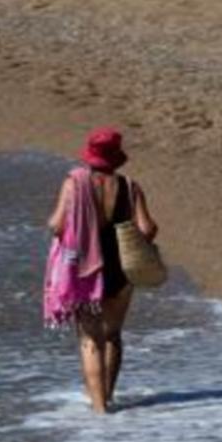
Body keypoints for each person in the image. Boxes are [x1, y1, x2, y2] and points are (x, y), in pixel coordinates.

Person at [43, 127, 159, 413]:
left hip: (85, 270)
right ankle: (107, 396)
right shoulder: (130, 186)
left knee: (89, 339)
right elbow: (148, 228)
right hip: (120, 268)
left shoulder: (74, 183)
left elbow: (56, 225)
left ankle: (99, 410)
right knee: (113, 335)